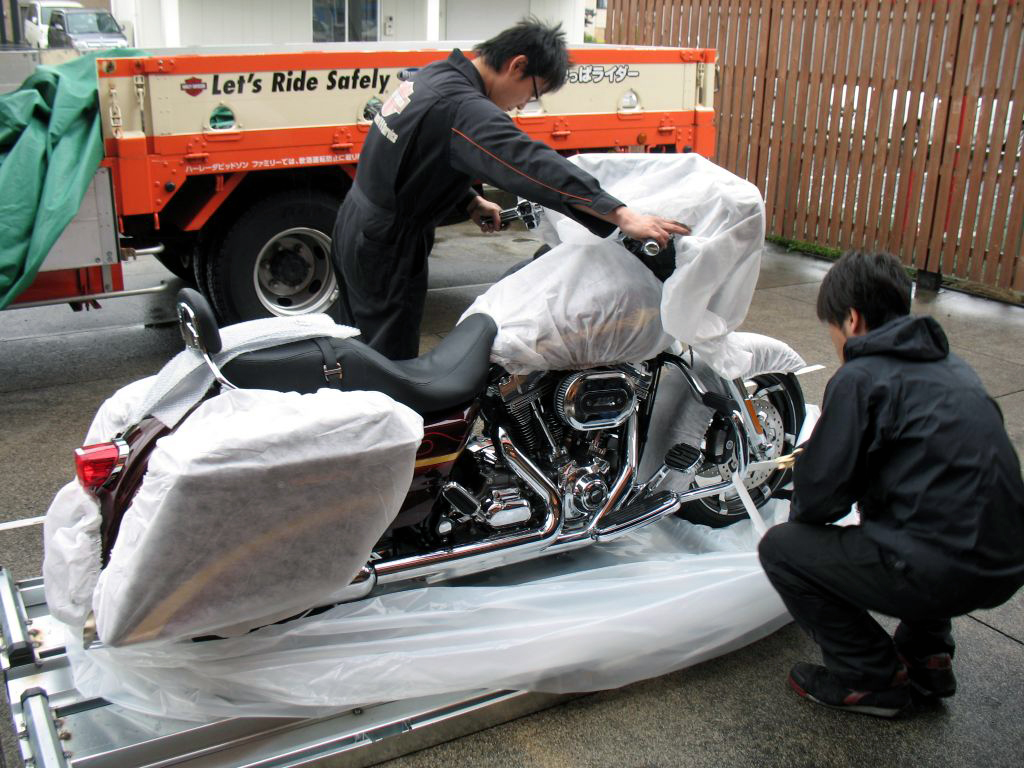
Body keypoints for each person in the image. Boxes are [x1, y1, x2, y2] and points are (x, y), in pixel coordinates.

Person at [758, 251, 1024, 718]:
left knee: (783, 550)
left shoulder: (860, 378)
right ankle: (928, 655)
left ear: (852, 319)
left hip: (943, 570)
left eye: (832, 329)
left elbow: (819, 501)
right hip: (1006, 562)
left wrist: (811, 468)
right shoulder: (954, 369)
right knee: (919, 509)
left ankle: (869, 678)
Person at [330, 18, 689, 359]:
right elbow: (530, 162)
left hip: (358, 223)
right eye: (532, 94)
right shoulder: (462, 105)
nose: (519, 106)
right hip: (386, 244)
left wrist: (469, 199)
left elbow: (417, 158)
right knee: (387, 360)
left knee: (356, 346)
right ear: (517, 66)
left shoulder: (436, 76)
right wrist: (621, 214)